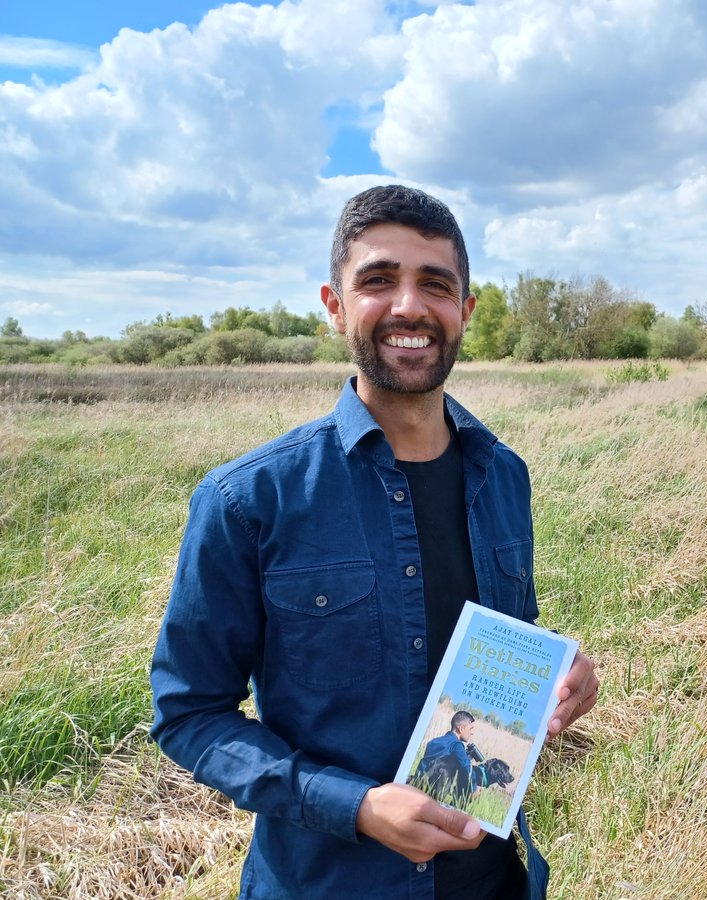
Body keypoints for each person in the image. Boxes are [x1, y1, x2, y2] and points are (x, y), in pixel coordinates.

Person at [150, 184, 599, 900]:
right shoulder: (248, 500)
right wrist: (355, 807)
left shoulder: (504, 476)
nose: (409, 307)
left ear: (466, 311)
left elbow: (503, 645)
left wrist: (561, 672)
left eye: (436, 284)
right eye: (379, 280)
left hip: (492, 882)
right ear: (334, 305)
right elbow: (188, 715)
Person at [417, 710, 482, 800]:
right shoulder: (456, 745)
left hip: (417, 786)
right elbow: (466, 766)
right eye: (470, 728)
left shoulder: (433, 742)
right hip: (433, 794)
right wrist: (474, 788)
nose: (472, 732)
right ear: (461, 729)